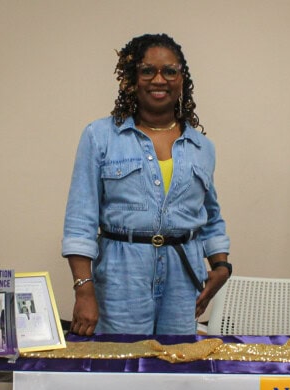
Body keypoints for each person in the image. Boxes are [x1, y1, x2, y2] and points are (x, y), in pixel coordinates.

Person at [62, 33, 231, 336]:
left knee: (175, 370)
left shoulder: (201, 146)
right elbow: (80, 219)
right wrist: (84, 291)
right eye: (147, 71)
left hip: (183, 279)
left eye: (169, 71)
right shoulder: (100, 136)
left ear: (182, 79)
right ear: (131, 79)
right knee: (119, 369)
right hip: (120, 278)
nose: (159, 80)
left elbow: (210, 216)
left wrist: (221, 267)